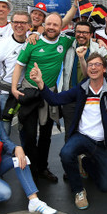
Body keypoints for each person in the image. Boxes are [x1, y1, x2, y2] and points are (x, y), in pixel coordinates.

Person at [31, 52, 107, 209]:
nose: (93, 68)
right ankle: (78, 190)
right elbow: (55, 99)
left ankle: (85, 162)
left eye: (97, 64)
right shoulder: (80, 89)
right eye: (90, 65)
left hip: (104, 144)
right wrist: (40, 83)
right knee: (66, 153)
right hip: (83, 137)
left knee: (105, 187)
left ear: (104, 69)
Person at [11, 12, 77, 183]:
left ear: (60, 27)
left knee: (46, 134)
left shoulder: (64, 40)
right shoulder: (32, 42)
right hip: (30, 91)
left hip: (49, 94)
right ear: (44, 25)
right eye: (49, 24)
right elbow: (19, 66)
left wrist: (75, 4)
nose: (52, 27)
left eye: (56, 25)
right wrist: (13, 88)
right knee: (30, 134)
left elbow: (79, 31)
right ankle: (29, 168)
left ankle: (42, 168)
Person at [61, 21, 107, 140]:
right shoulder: (68, 45)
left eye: (85, 32)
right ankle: (71, 158)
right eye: (78, 32)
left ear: (91, 34)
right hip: (71, 96)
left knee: (91, 133)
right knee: (70, 133)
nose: (81, 35)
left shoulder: (98, 48)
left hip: (91, 98)